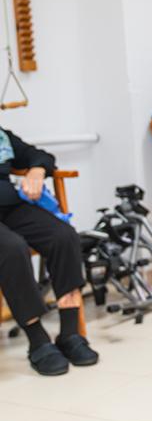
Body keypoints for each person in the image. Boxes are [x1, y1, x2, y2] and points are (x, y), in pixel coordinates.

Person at [0, 128, 98, 375]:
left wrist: (37, 170)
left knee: (64, 236)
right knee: (12, 248)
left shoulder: (2, 136)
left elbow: (39, 156)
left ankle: (69, 333)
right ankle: (38, 340)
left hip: (10, 207)